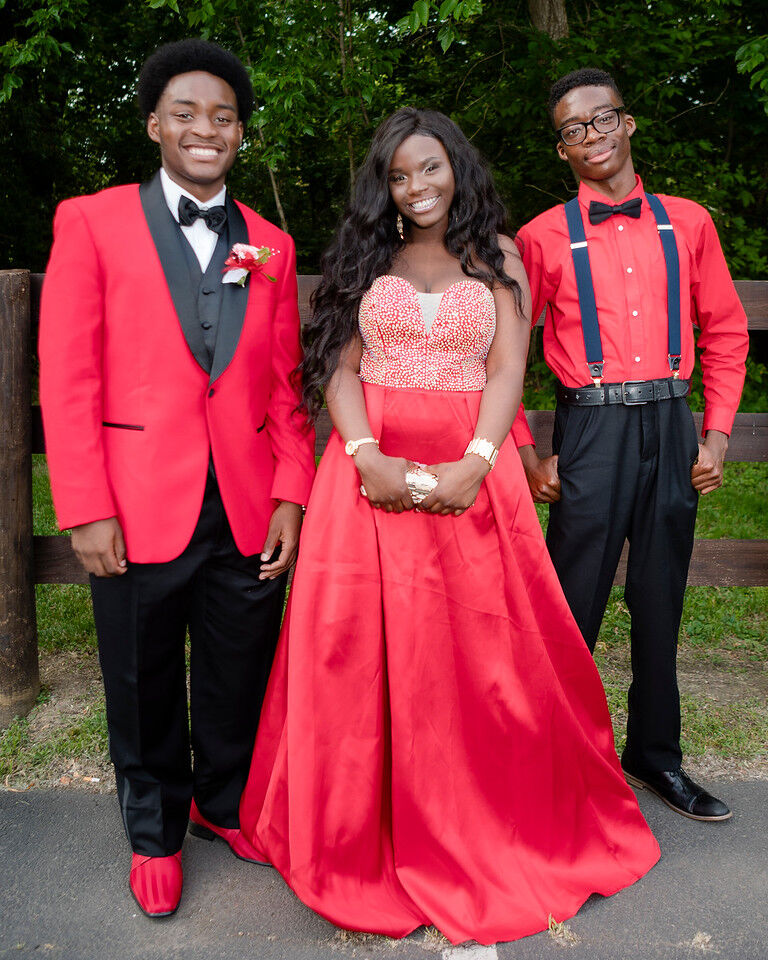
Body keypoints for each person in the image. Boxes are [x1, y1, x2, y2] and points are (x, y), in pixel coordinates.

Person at [237, 107, 660, 946]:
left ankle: (487, 816)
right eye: (399, 175)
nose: (417, 187)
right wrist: (362, 455)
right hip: (369, 473)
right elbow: (337, 366)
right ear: (382, 187)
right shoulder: (365, 255)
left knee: (481, 654)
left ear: (457, 168)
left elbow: (507, 365)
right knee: (355, 651)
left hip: (477, 473)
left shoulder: (500, 255)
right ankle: (358, 830)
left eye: (429, 168)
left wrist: (477, 458)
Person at [38, 39, 315, 918]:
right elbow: (68, 374)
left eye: (224, 116)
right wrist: (83, 506)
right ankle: (153, 829)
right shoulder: (91, 220)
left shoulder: (270, 244)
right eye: (187, 113)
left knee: (240, 668)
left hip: (242, 503)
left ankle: (221, 804)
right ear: (156, 124)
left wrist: (289, 494)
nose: (207, 128)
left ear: (240, 133)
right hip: (132, 502)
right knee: (141, 673)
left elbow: (285, 386)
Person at [514, 68, 749, 823]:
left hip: (672, 423)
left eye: (603, 118)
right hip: (592, 430)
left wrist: (715, 431)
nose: (593, 135)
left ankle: (655, 756)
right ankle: (557, 762)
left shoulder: (690, 222)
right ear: (562, 149)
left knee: (660, 598)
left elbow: (726, 330)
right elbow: (502, 352)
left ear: (629, 122)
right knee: (570, 605)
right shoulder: (541, 236)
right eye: (575, 128)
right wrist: (527, 452)